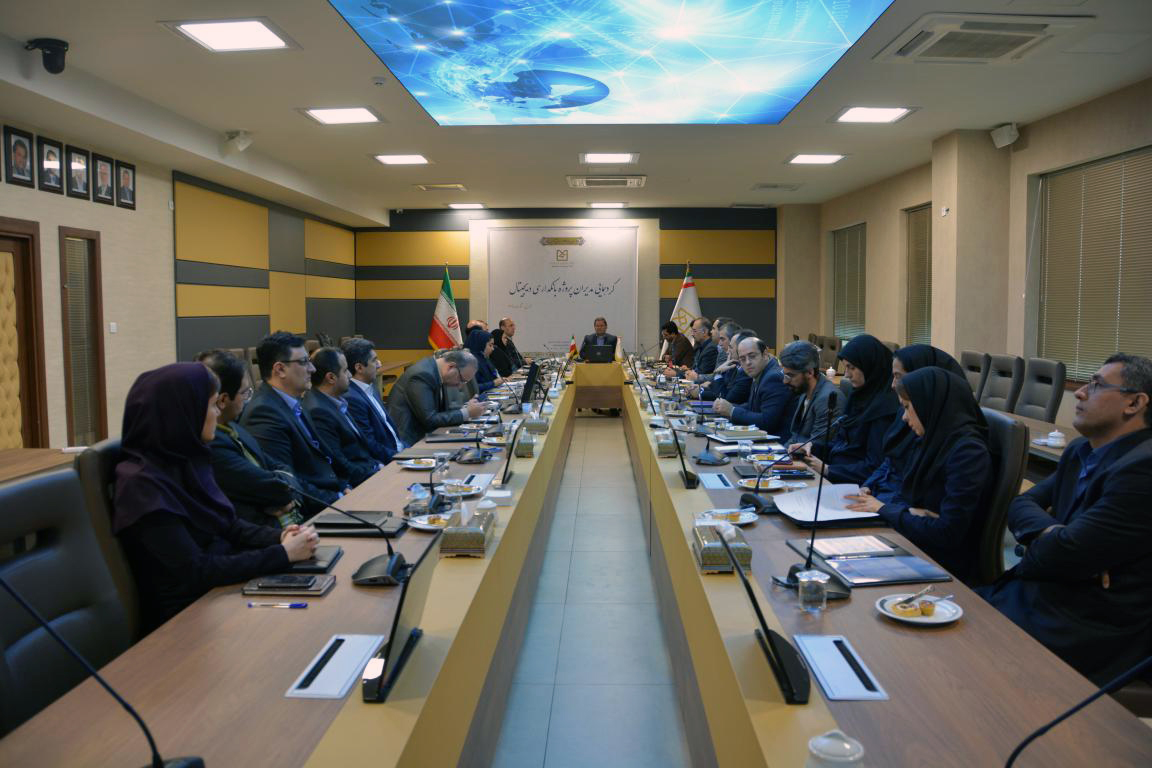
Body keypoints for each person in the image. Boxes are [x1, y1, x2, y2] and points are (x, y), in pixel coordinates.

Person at [979, 354, 1152, 685]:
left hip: (1091, 624)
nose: (1081, 393)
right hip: (1048, 593)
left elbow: (1065, 554)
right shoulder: (1079, 450)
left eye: (1097, 385)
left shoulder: (1142, 470)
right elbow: (1021, 503)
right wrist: (1055, 535)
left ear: (1134, 403)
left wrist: (1053, 544)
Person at [112, 363, 318, 630]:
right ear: (182, 413)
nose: (218, 412)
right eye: (211, 405)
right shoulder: (141, 485)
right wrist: (282, 554)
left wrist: (280, 537)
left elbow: (228, 525)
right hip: (189, 619)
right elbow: (197, 570)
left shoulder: (185, 460)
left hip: (223, 593)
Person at [844, 368, 992, 582]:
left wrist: (885, 509)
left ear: (929, 405)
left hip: (939, 562)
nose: (904, 417)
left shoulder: (968, 453)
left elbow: (946, 532)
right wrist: (908, 511)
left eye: (907, 407)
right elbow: (908, 499)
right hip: (911, 539)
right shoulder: (931, 439)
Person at [241, 331, 348, 514]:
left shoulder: (293, 401)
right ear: (280, 369)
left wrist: (345, 486)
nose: (312, 369)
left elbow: (324, 459)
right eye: (304, 362)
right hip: (314, 513)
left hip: (334, 495)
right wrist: (338, 499)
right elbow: (289, 482)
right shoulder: (264, 413)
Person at [197, 349, 301, 529]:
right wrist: (284, 490)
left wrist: (287, 486)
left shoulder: (234, 427)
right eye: (245, 393)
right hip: (269, 533)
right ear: (223, 400)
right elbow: (280, 490)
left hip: (289, 525)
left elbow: (282, 469)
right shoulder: (213, 445)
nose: (248, 400)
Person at [865, 344, 969, 504]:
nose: (892, 384)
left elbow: (929, 507)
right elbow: (891, 461)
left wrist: (883, 508)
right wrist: (868, 486)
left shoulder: (958, 448)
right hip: (884, 499)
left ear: (925, 379)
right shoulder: (908, 413)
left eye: (898, 376)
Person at [793, 334, 900, 485]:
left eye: (852, 368)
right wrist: (811, 447)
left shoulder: (885, 409)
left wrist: (828, 470)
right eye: (846, 367)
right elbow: (841, 445)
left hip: (855, 486)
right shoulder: (859, 396)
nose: (847, 375)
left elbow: (874, 466)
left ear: (869, 365)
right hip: (838, 477)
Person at [303, 347, 382, 487]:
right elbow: (340, 464)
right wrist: (376, 471)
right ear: (331, 378)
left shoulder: (337, 400)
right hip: (359, 483)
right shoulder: (319, 412)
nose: (350, 375)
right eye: (345, 371)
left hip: (370, 470)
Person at [388, 349, 486, 445]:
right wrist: (466, 412)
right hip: (410, 440)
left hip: (427, 434)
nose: (460, 386)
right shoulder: (422, 375)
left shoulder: (435, 370)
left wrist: (466, 409)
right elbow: (430, 419)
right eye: (461, 380)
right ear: (451, 367)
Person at [713, 336, 794, 435]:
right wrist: (727, 407)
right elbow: (754, 406)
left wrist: (732, 411)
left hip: (777, 441)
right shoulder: (761, 372)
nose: (748, 362)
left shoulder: (773, 377)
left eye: (752, 356)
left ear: (765, 354)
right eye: (742, 359)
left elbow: (767, 422)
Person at [342, 338, 405, 464]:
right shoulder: (352, 399)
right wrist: (403, 457)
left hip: (400, 452)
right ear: (359, 368)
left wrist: (411, 451)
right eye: (374, 360)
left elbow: (392, 434)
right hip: (389, 461)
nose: (379, 364)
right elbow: (370, 445)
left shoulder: (372, 388)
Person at [779, 340, 841, 446]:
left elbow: (817, 446)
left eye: (790, 375)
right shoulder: (804, 390)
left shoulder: (826, 399)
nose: (785, 381)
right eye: (784, 375)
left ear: (809, 372)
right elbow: (796, 436)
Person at [692, 326, 752, 404]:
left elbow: (726, 398)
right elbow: (718, 389)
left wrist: (718, 373)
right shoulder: (735, 366)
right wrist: (700, 391)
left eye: (731, 347)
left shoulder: (744, 372)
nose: (728, 351)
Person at [463, 327, 505, 394]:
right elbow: (472, 388)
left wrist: (500, 380)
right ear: (481, 344)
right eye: (490, 345)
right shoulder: (470, 362)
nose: (493, 349)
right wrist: (494, 383)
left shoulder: (484, 358)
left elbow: (494, 376)